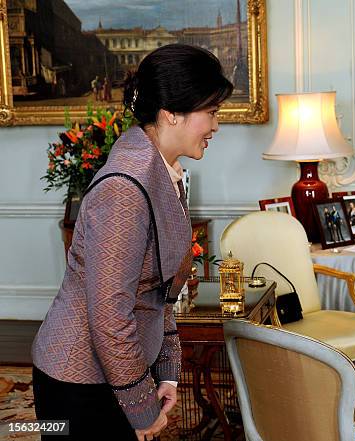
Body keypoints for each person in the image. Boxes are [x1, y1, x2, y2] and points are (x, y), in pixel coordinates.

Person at [32, 44, 233, 441]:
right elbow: (109, 315)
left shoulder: (164, 170)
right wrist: (142, 409)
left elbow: (159, 292)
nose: (216, 126)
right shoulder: (125, 187)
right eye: (211, 113)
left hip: (116, 373)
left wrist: (168, 375)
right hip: (78, 381)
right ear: (172, 112)